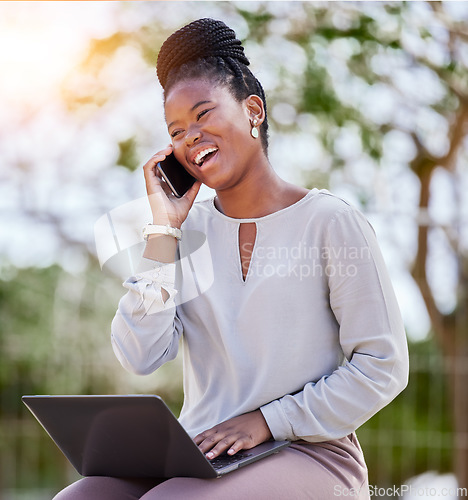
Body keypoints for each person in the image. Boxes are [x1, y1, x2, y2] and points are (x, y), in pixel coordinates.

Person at [54, 18, 408, 499]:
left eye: (204, 114)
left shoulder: (329, 221)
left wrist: (268, 419)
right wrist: (164, 230)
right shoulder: (185, 234)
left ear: (253, 111)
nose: (191, 137)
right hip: (201, 452)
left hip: (308, 452)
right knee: (78, 498)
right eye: (176, 130)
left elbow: (382, 365)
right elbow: (140, 356)